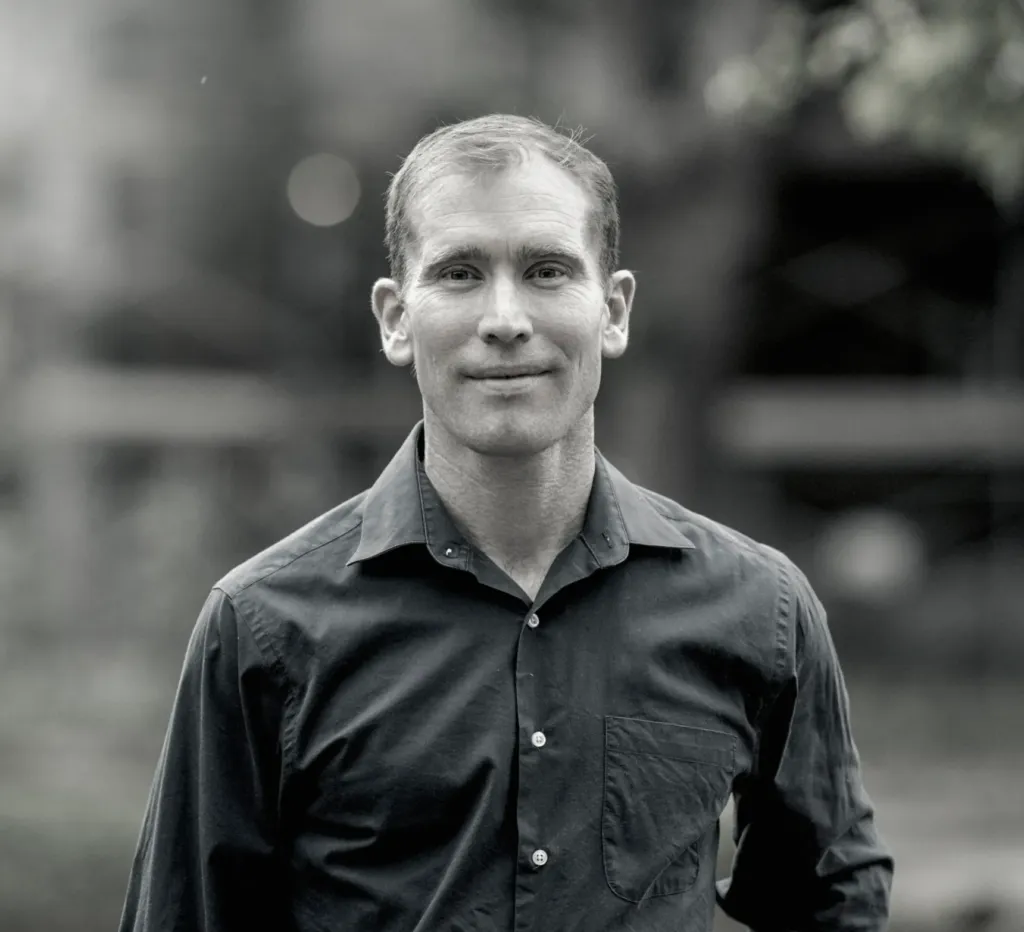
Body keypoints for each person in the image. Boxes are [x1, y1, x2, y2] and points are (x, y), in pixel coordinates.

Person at [119, 113, 893, 932]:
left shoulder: (759, 610)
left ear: (614, 310)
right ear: (395, 318)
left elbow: (834, 903)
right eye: (459, 273)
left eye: (547, 270)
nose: (504, 318)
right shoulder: (263, 628)